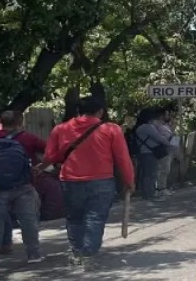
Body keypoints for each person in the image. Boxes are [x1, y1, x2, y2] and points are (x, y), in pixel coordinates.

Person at [43, 96, 134, 264]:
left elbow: (50, 156)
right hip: (101, 181)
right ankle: (89, 254)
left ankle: (76, 252)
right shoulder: (111, 129)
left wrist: (42, 167)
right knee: (95, 217)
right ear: (100, 111)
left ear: (78, 110)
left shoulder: (60, 129)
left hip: (69, 180)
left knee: (74, 217)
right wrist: (129, 180)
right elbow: (122, 158)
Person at [0, 110, 44, 264]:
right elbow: (47, 150)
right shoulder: (28, 138)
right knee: (28, 220)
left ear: (1, 121)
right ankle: (34, 254)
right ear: (20, 122)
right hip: (23, 186)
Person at [133, 108, 167, 202]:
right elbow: (159, 138)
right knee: (151, 174)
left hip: (142, 153)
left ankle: (146, 193)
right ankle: (150, 194)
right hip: (149, 153)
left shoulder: (138, 127)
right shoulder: (147, 127)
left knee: (145, 174)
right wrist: (168, 142)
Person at [154, 107, 177, 196]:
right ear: (161, 115)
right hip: (162, 148)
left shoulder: (165, 125)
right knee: (163, 169)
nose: (168, 116)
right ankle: (160, 188)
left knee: (166, 169)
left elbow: (170, 132)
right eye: (167, 114)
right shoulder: (156, 124)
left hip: (169, 149)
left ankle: (163, 186)